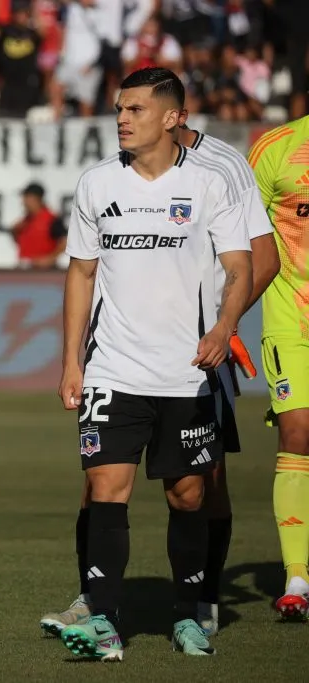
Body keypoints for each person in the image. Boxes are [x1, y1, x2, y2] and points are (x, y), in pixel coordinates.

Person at [40, 114, 280, 638]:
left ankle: (200, 602)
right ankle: (96, 605)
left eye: (134, 109)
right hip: (115, 366)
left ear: (173, 115)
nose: (122, 119)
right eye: (119, 108)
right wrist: (72, 361)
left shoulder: (221, 169)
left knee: (200, 487)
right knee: (101, 483)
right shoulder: (100, 179)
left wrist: (223, 326)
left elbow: (258, 260)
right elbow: (81, 270)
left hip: (193, 363)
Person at [246, 115, 309, 620]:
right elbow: (240, 233)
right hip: (291, 321)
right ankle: (297, 579)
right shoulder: (277, 147)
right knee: (298, 431)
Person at [11, 182, 67, 269]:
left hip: (44, 271)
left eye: (27, 197)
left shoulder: (51, 219)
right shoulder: (24, 222)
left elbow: (64, 242)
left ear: (36, 199)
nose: (23, 202)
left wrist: (50, 259)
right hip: (24, 269)